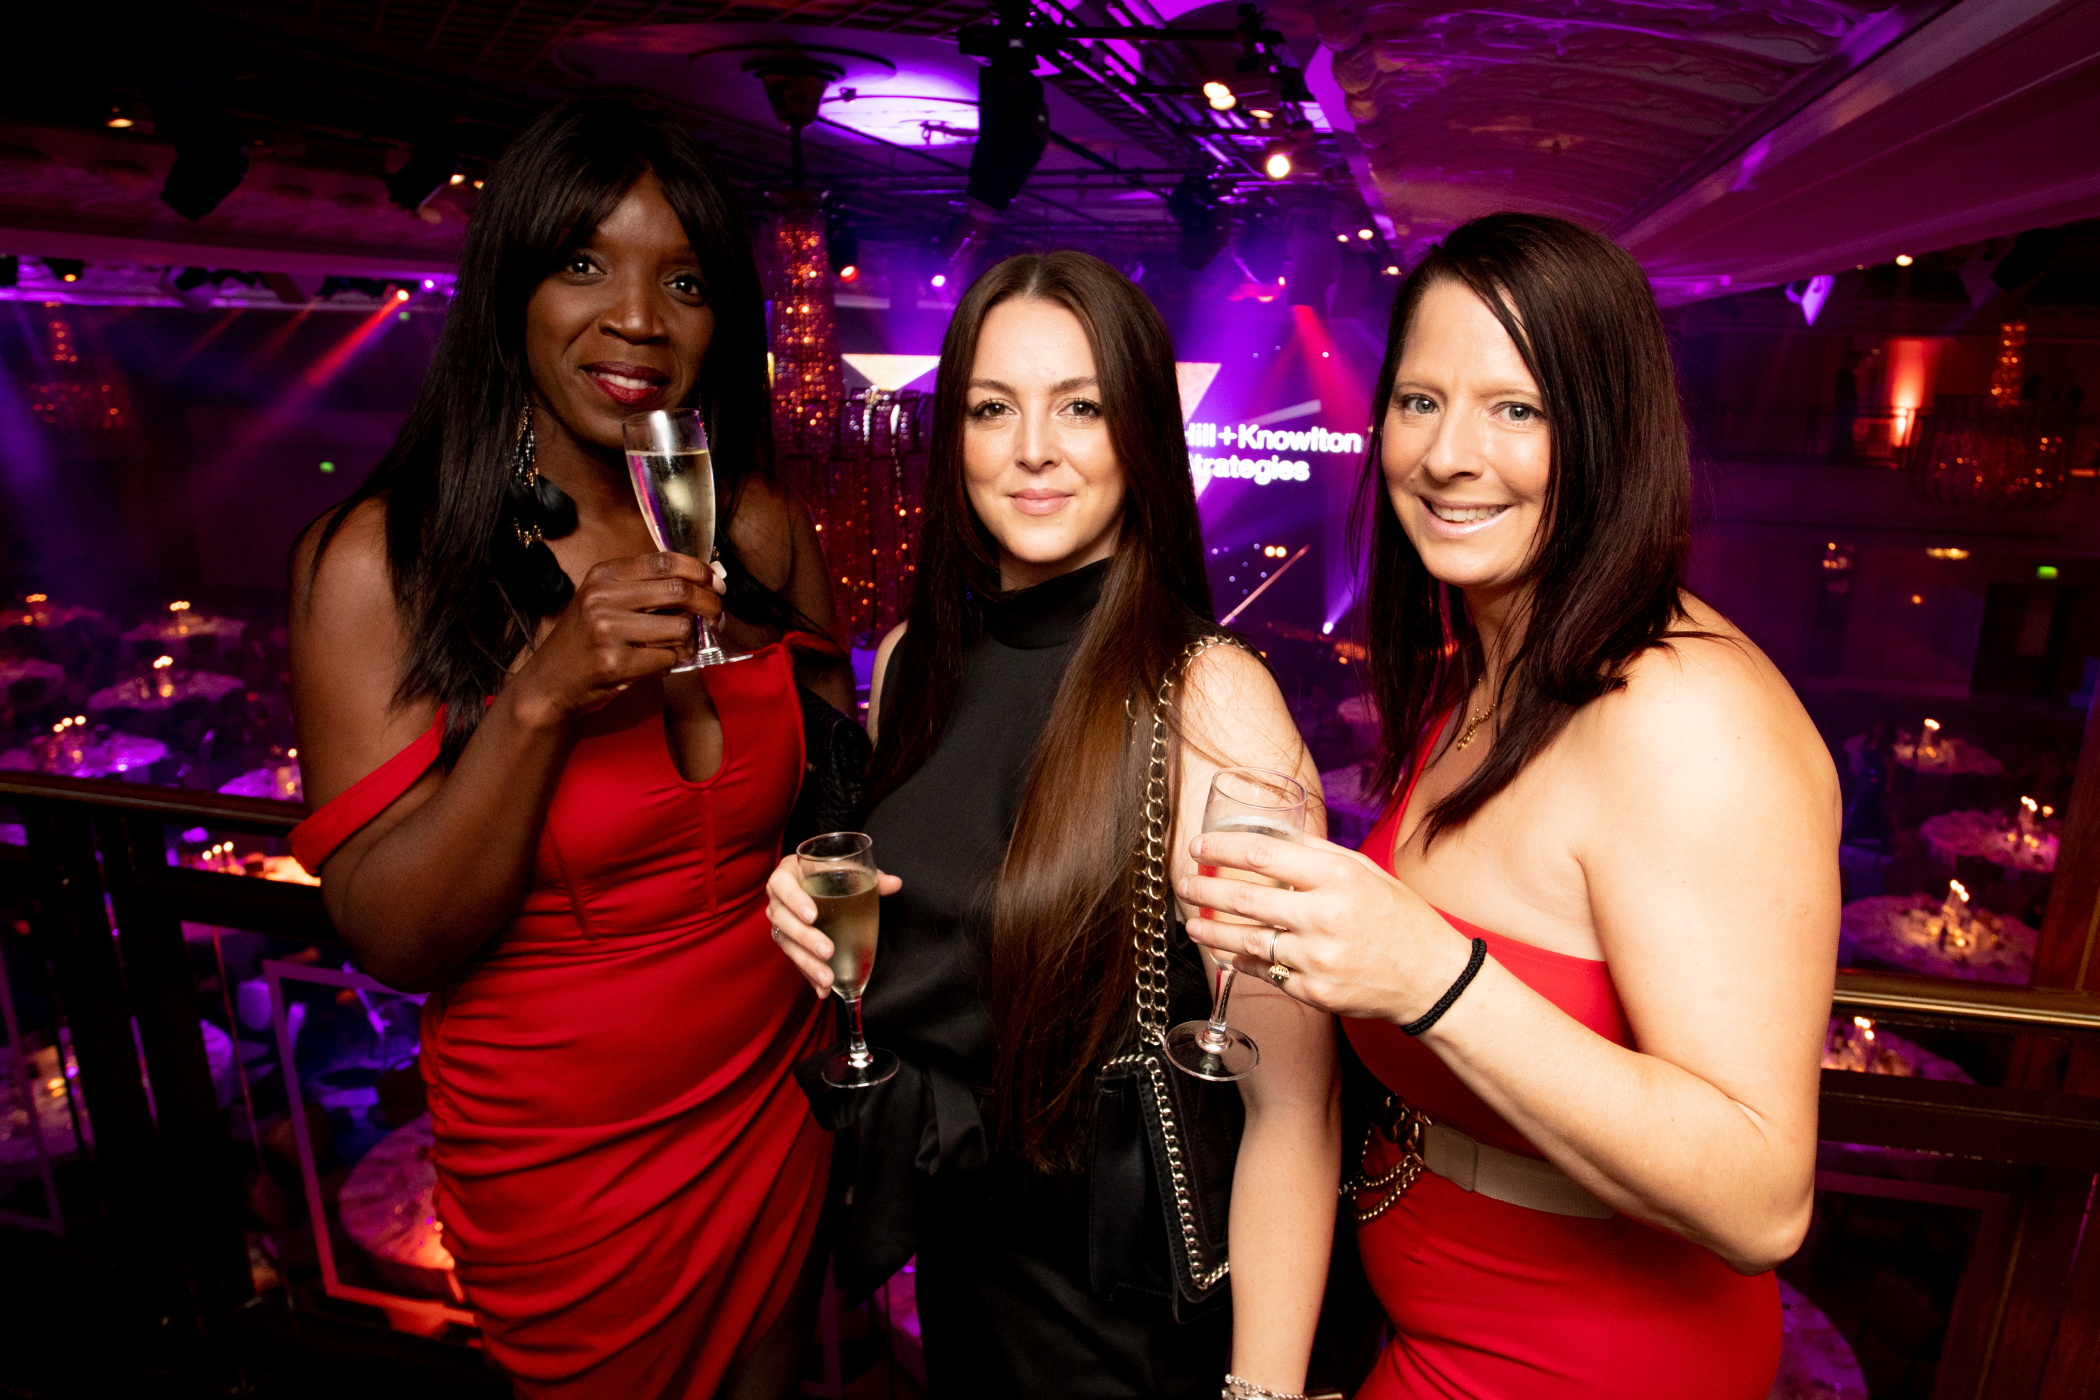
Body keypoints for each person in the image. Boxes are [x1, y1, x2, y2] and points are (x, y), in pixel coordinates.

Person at [1181, 214, 1838, 1398]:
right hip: (1420, 1320)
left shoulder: (1686, 714)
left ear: (1605, 431)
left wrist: (1429, 974)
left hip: (1588, 1359)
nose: (1447, 454)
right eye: (1419, 400)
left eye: (1515, 408)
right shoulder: (1492, 668)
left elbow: (1763, 1196)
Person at [285, 97, 841, 1399]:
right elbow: (393, 934)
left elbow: (845, 802)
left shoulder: (755, 527)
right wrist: (538, 700)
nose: (638, 317)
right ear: (510, 288)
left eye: (685, 282)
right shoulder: (382, 561)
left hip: (774, 1096)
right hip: (567, 1157)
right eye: (585, 262)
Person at [764, 251, 1339, 1399]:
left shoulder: (1209, 693)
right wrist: (815, 917)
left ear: (1140, 432)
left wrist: (1263, 1393)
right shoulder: (915, 662)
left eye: (1080, 405)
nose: (1033, 447)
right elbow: (941, 938)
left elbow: (1294, 1105)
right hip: (964, 1295)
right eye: (993, 408)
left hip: (1126, 1331)